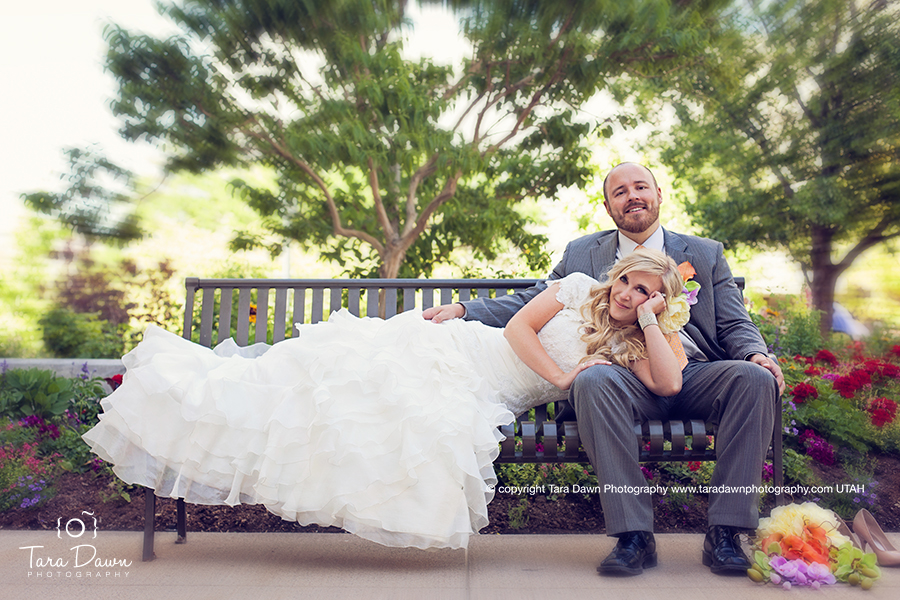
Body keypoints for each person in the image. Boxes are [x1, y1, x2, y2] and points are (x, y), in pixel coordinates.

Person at [81, 247, 688, 551]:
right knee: (320, 389)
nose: (633, 295)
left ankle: (199, 414)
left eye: (648, 293)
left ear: (657, 302)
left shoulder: (632, 341)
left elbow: (668, 384)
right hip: (461, 353)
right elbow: (516, 330)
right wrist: (560, 379)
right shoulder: (577, 287)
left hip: (488, 394)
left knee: (381, 425)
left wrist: (656, 323)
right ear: (618, 274)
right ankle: (187, 399)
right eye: (632, 282)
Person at [423, 162, 785, 576]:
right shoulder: (582, 253)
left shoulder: (704, 252)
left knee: (754, 379)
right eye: (620, 191)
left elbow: (735, 323)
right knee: (592, 378)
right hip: (622, 376)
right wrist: (465, 309)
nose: (632, 196)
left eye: (640, 187)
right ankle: (633, 535)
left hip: (694, 373)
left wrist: (757, 353)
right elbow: (533, 302)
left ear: (658, 193)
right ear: (609, 206)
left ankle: (726, 532)